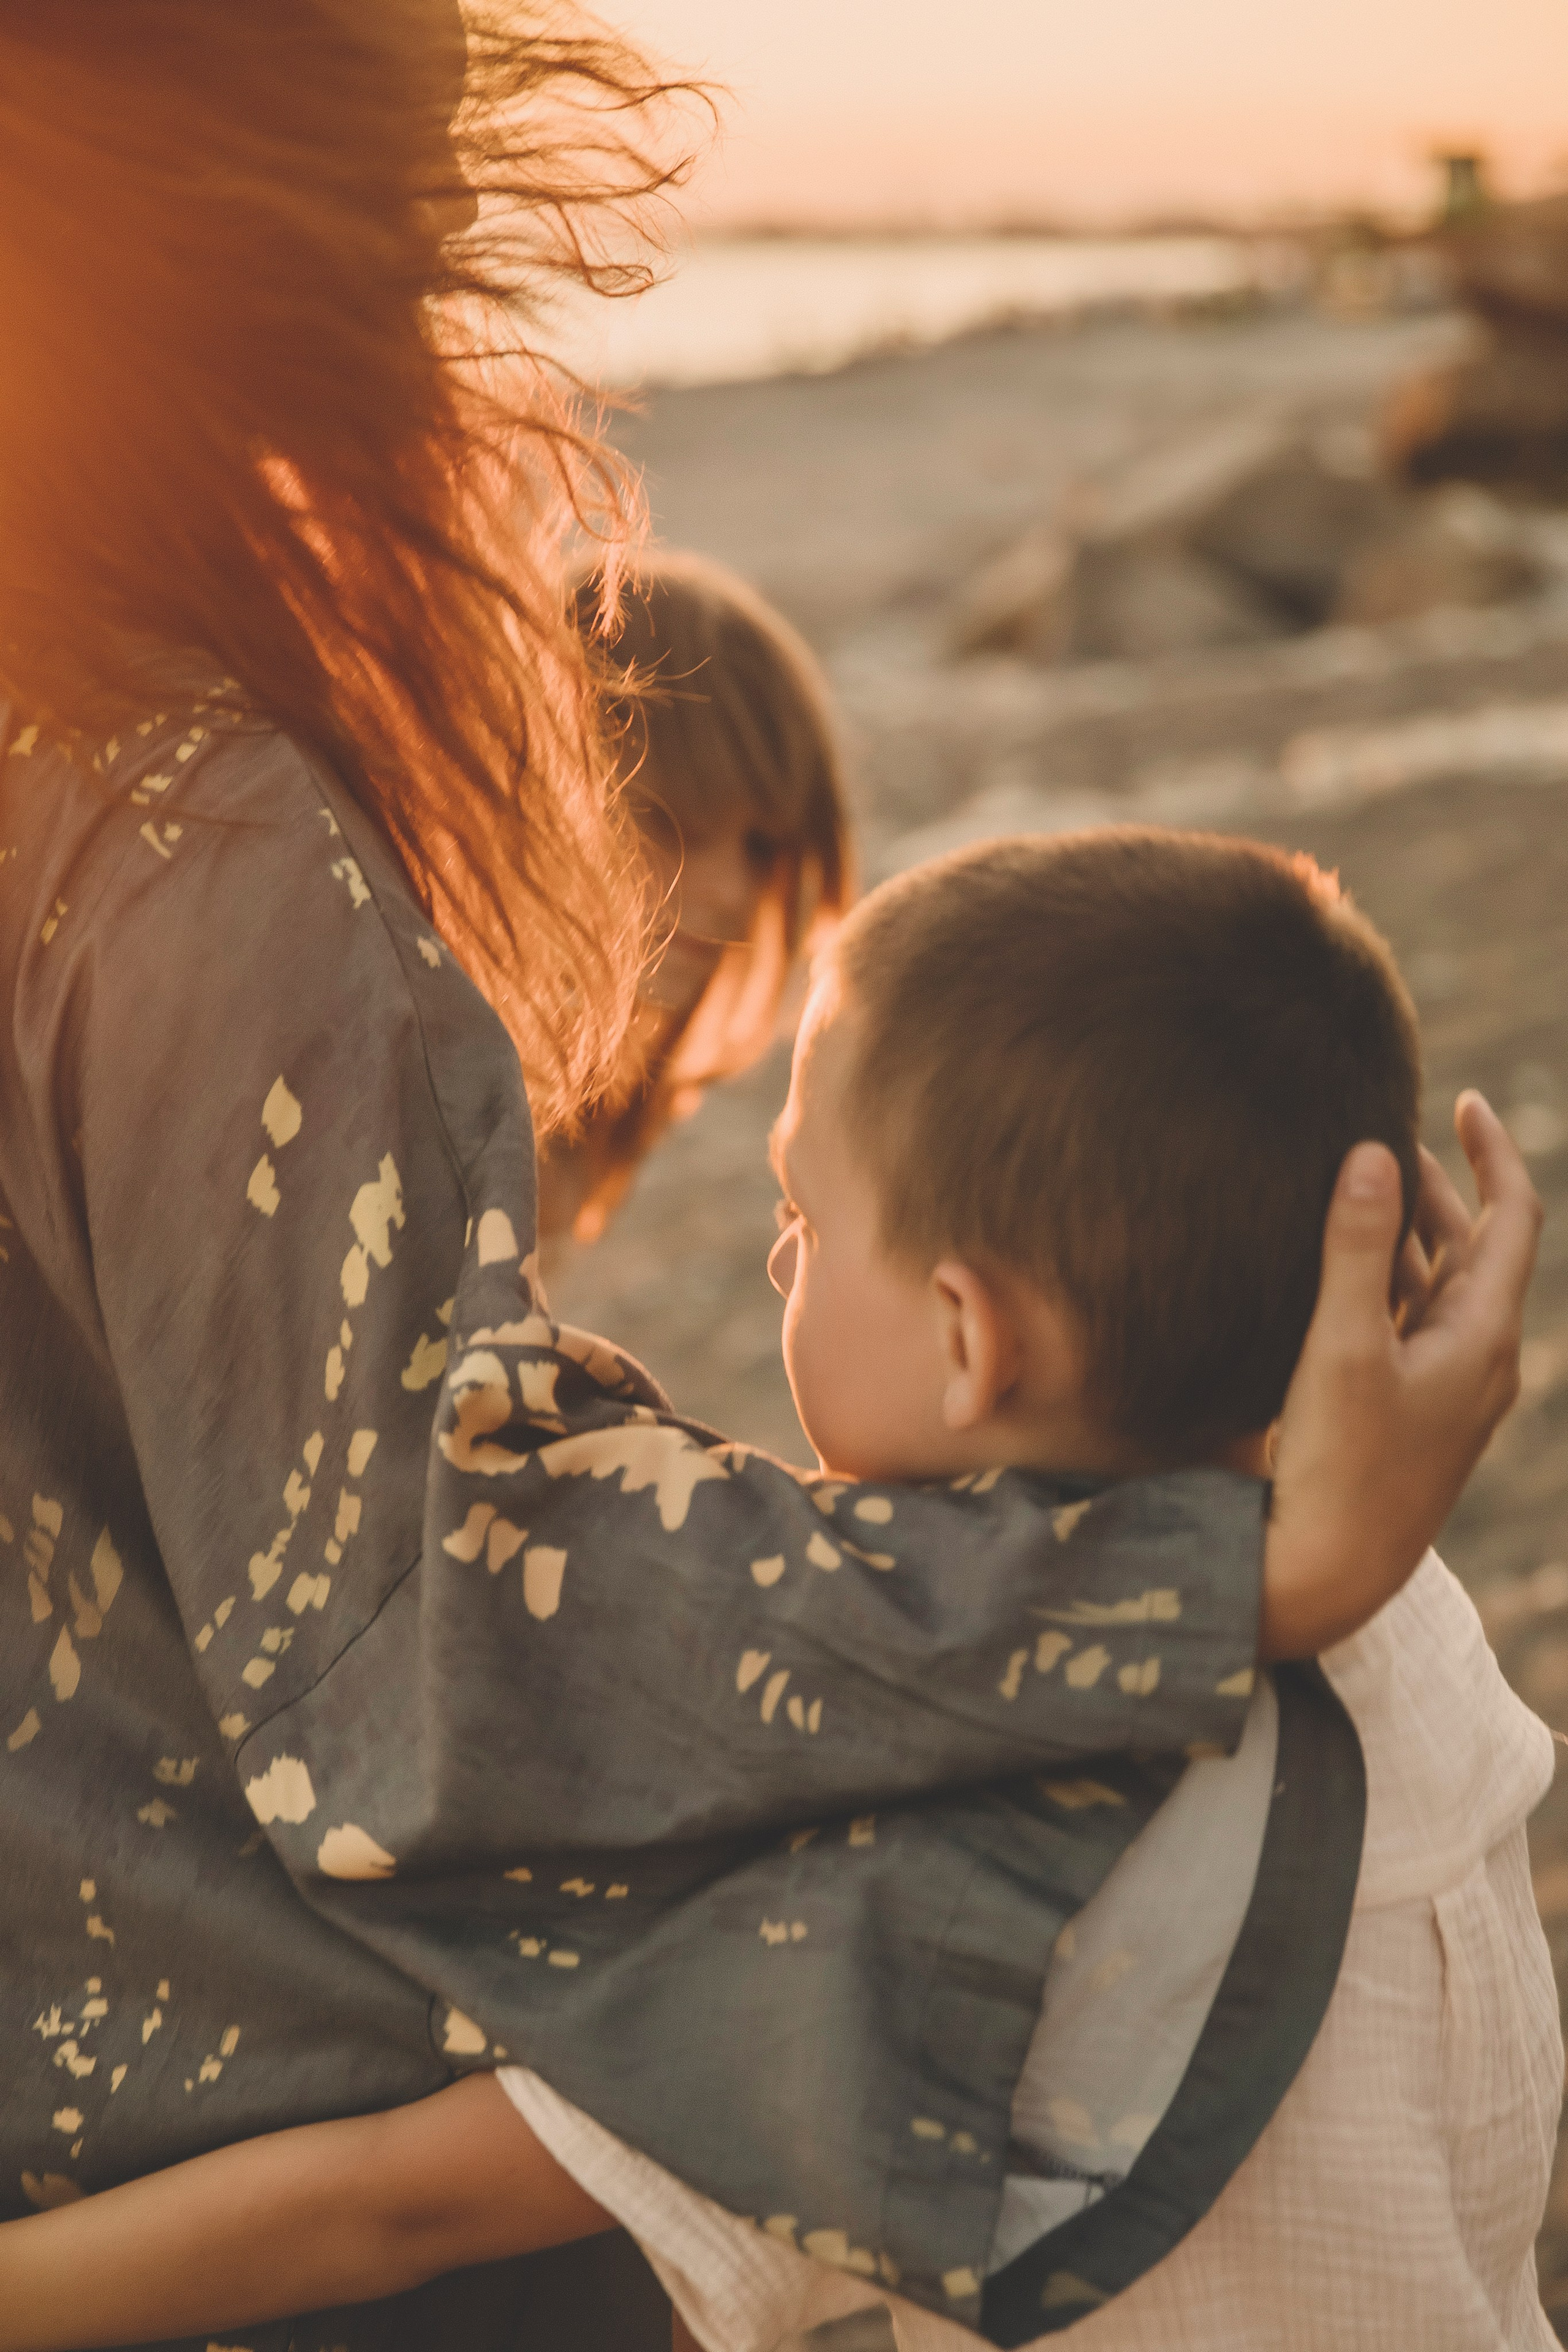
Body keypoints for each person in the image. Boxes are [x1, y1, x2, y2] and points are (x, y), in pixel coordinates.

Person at [0, 2, 1540, 2346]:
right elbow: (425, 1625)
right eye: (422, 267)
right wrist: (1212, 1578)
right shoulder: (188, 833)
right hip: (228, 2176)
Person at [0, 831, 1553, 2352]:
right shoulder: (1403, 1627)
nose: (771, 1263)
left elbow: (397, 2201)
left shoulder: (964, 1862)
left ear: (967, 1338)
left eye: (801, 1218)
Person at [538, 552, 852, 1246]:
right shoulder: (414, 1072)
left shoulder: (590, 1109)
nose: (732, 893)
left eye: (760, 848)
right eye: (672, 824)